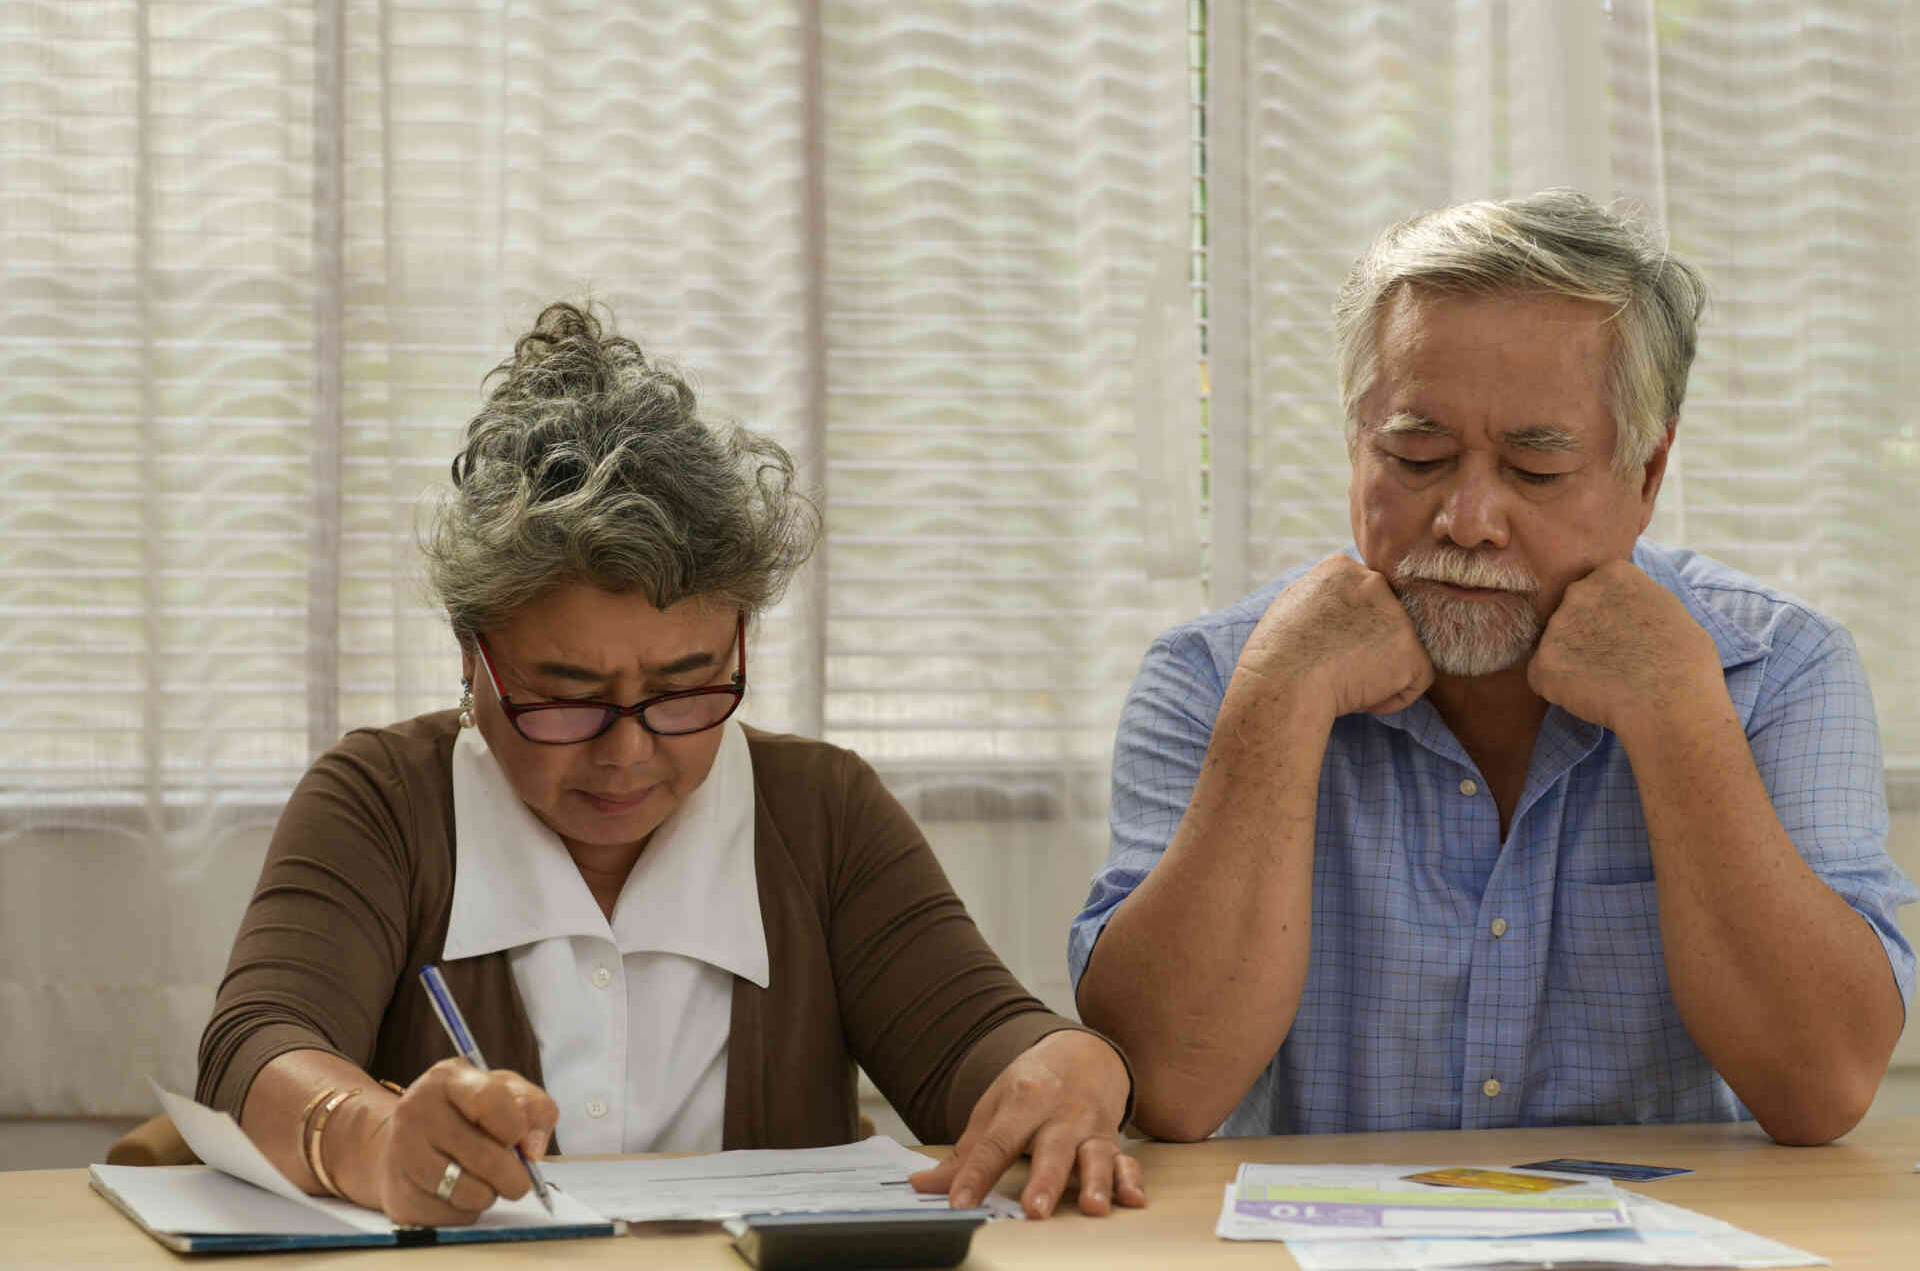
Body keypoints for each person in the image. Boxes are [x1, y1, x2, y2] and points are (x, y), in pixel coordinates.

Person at [197, 302, 1144, 1226]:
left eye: (685, 688)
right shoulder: (382, 802)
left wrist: (1071, 1065)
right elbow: (254, 1050)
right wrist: (374, 1138)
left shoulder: (821, 812)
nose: (629, 751)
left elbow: (975, 1042)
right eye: (566, 696)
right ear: (471, 657)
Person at [1070, 190, 1916, 1147]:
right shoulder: (1212, 675)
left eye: (1536, 471)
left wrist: (1681, 713)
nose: (1468, 520)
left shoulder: (1779, 669)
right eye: (1417, 454)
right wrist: (1280, 698)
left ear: (1646, 475)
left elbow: (1825, 1086)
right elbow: (1168, 1088)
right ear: (1356, 443)